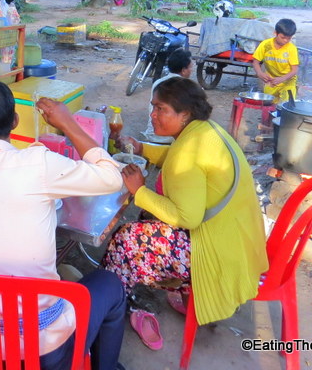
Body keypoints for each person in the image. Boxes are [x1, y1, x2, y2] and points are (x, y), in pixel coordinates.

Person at [0, 80, 127, 370]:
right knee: (110, 285)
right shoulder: (38, 164)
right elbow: (113, 178)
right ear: (14, 121)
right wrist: (67, 123)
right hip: (45, 354)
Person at [104, 77, 267, 349]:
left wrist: (139, 191)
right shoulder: (205, 130)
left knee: (125, 239)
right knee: (146, 221)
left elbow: (186, 218)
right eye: (153, 107)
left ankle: (112, 303)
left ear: (185, 114)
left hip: (215, 254)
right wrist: (143, 148)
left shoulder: (189, 149)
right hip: (238, 241)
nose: (153, 115)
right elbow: (177, 157)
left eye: (161, 109)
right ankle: (125, 293)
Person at [141, 48, 193, 144]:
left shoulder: (158, 82)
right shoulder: (188, 87)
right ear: (183, 70)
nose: (191, 70)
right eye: (190, 67)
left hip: (152, 135)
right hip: (171, 139)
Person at [252, 18, 300, 104]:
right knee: (269, 106)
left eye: (289, 38)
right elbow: (256, 61)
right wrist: (259, 73)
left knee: (285, 107)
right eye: (283, 37)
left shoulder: (291, 48)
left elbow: (295, 70)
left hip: (288, 82)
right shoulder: (265, 45)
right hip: (271, 82)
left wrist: (282, 78)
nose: (285, 41)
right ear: (275, 33)